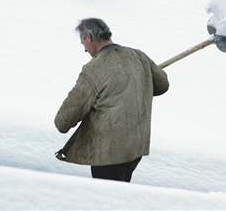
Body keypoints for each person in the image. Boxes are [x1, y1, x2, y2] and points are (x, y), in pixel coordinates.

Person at [54, 18, 169, 182]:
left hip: (108, 151)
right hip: (135, 148)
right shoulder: (138, 56)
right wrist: (143, 76)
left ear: (88, 38)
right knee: (120, 191)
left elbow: (66, 118)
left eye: (83, 44)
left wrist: (61, 122)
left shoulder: (94, 68)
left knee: (106, 198)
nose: (85, 50)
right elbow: (162, 84)